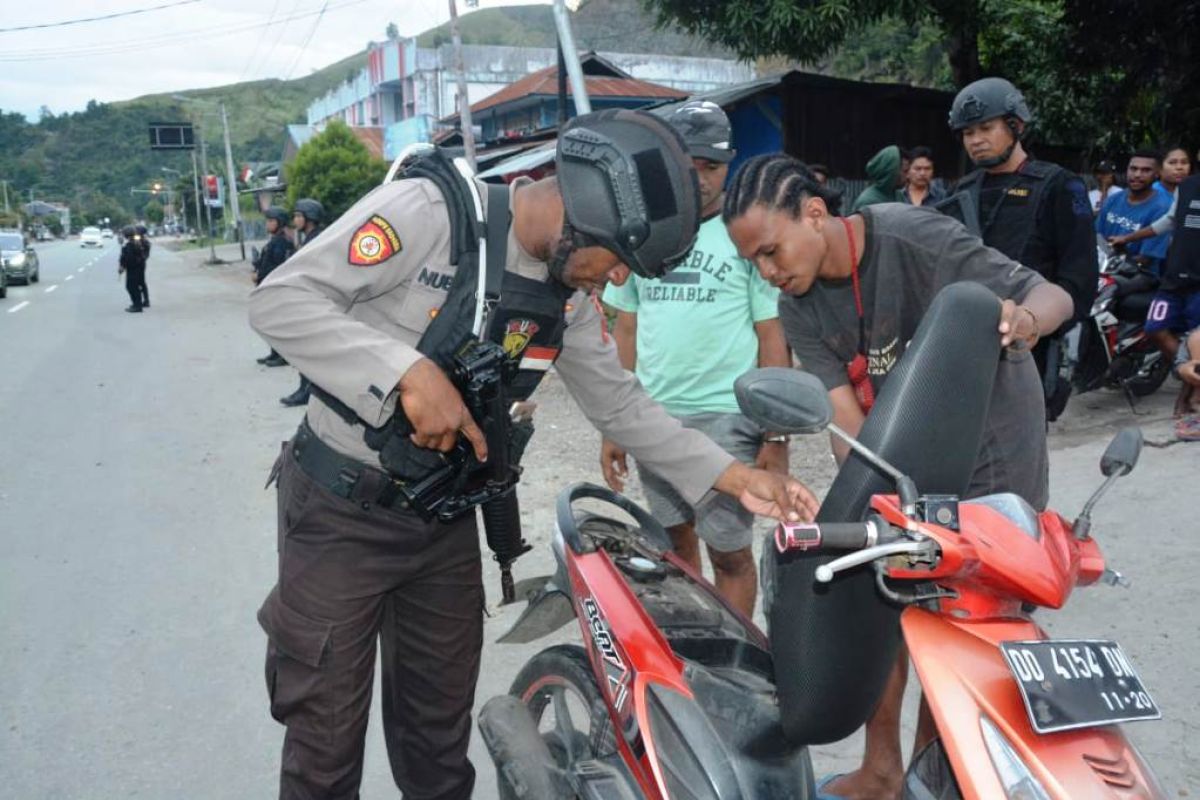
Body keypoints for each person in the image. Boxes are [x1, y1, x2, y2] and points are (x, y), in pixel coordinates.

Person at [248, 109, 819, 800]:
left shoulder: (565, 297)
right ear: (579, 220)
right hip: (341, 514)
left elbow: (621, 405)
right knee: (325, 749)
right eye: (614, 262)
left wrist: (734, 475)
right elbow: (282, 301)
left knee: (437, 746)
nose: (612, 284)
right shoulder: (429, 215)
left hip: (442, 524)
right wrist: (403, 371)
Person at [723, 154, 1073, 800]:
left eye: (771, 251)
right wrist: (871, 514)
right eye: (755, 264)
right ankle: (881, 769)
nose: (768, 271)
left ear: (816, 213)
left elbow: (1053, 294)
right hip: (903, 446)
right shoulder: (796, 305)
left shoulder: (916, 238)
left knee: (965, 616)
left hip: (994, 439)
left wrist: (1027, 321)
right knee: (881, 583)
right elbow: (849, 423)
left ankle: (930, 776)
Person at [599, 101, 789, 617]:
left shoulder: (744, 235)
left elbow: (771, 335)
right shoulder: (647, 232)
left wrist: (775, 434)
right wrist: (615, 423)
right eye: (690, 166)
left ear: (729, 165)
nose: (700, 178)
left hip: (727, 419)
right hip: (653, 416)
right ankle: (693, 653)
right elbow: (627, 327)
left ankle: (735, 664)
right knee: (674, 546)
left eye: (712, 166)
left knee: (729, 553)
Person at [939, 76, 1097, 420]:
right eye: (968, 133)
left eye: (985, 127)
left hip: (1031, 349)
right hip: (969, 346)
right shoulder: (961, 192)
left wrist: (1037, 321)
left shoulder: (1059, 185)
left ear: (1016, 125)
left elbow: (1079, 280)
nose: (976, 140)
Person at [1143, 172, 1200, 417]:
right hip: (1175, 275)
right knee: (1154, 327)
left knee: (1196, 341)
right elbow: (1169, 221)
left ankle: (1187, 395)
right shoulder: (1187, 185)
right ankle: (1188, 377)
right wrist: (1130, 237)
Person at [1096, 149, 1174, 274]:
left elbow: (1145, 259)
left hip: (1139, 274)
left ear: (1157, 174)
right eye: (1133, 169)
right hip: (1102, 267)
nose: (1137, 174)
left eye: (1146, 170)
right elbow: (1097, 238)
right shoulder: (1112, 200)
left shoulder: (1164, 207)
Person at [278, 199, 326, 398]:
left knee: (308, 348)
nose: (295, 220)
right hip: (308, 296)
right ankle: (305, 388)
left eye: (299, 216)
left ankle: (307, 391)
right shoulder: (309, 237)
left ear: (310, 218)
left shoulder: (316, 239)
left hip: (314, 298)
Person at [254, 207, 296, 366]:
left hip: (277, 288)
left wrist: (260, 275)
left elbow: (278, 267)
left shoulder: (282, 242)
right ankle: (274, 353)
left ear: (280, 223)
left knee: (279, 324)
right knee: (272, 323)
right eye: (268, 220)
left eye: (271, 221)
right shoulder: (275, 240)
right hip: (269, 287)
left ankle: (282, 356)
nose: (268, 224)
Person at [849, 144, 904, 212]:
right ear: (891, 172)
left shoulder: (898, 195)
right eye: (905, 171)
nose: (908, 176)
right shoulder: (867, 201)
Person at [118, 225, 148, 313]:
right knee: (133, 286)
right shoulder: (134, 243)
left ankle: (137, 306)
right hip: (137, 268)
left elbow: (128, 258)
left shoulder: (131, 245)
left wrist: (122, 266)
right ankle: (136, 304)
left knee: (132, 287)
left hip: (134, 269)